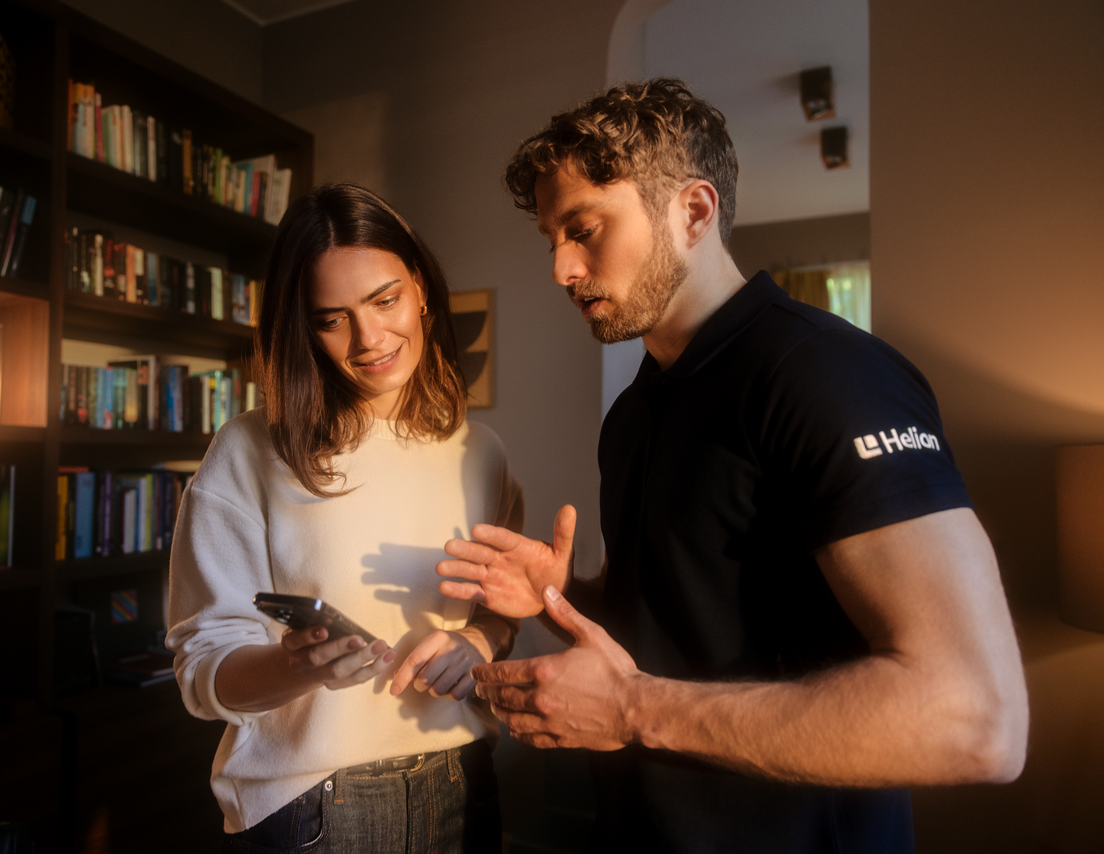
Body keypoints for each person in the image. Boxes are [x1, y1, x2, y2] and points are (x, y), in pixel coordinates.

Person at [435, 79, 1028, 851]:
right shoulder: (634, 412)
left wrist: (630, 710)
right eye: (552, 239)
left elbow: (977, 719)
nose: (561, 269)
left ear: (693, 211)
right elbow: (684, 622)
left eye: (583, 230)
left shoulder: (826, 376)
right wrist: (561, 596)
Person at [167, 183, 524, 854]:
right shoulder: (249, 452)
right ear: (302, 327)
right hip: (318, 804)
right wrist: (297, 667)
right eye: (331, 318)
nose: (369, 338)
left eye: (385, 300)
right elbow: (201, 673)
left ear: (419, 288)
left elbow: (503, 609)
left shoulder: (482, 453)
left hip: (464, 776)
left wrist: (479, 643)